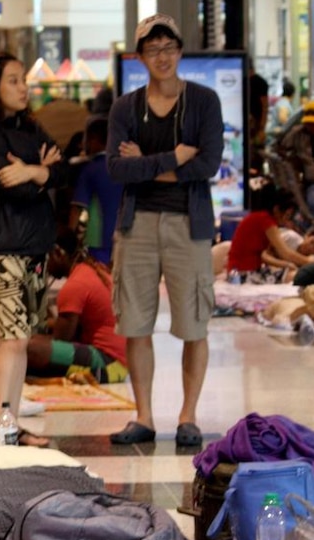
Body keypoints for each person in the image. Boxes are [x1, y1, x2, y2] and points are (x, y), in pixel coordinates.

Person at [106, 13, 223, 446]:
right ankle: (144, 416)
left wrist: (147, 165)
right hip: (136, 225)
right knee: (135, 322)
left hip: (188, 225)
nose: (162, 56)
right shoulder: (126, 107)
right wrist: (174, 157)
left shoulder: (205, 102)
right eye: (153, 49)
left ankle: (188, 416)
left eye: (169, 48)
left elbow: (208, 164)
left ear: (180, 51)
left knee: (195, 323)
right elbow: (117, 169)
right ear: (140, 57)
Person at [0, 52, 64, 447]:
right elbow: (18, 189)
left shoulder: (33, 127)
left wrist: (33, 170)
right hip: (1, 246)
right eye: (12, 80)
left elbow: (63, 169)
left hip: (35, 245)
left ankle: (11, 423)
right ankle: (1, 425)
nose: (23, 87)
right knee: (11, 337)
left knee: (22, 337)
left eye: (23, 80)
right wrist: (38, 174)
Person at [27, 229, 128, 383]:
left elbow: (61, 339)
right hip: (122, 362)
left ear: (57, 253)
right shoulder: (93, 270)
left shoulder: (75, 285)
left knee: (30, 347)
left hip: (108, 364)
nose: (43, 268)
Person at [226, 187, 314, 276]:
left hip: (241, 270)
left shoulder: (260, 217)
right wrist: (308, 262)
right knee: (296, 276)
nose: (286, 220)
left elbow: (264, 255)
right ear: (276, 209)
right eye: (287, 215)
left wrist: (287, 264)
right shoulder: (266, 220)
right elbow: (285, 253)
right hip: (242, 273)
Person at [70, 117, 122, 265]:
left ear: (93, 140)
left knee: (102, 282)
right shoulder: (125, 166)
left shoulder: (90, 169)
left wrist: (69, 240)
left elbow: (78, 207)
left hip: (99, 239)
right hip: (126, 236)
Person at [278, 100, 314, 215]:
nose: (311, 126)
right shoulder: (298, 133)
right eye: (309, 124)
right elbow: (281, 146)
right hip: (310, 182)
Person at [267, 79, 296, 144]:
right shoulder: (284, 103)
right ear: (293, 94)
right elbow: (283, 119)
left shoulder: (283, 102)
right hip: (276, 140)